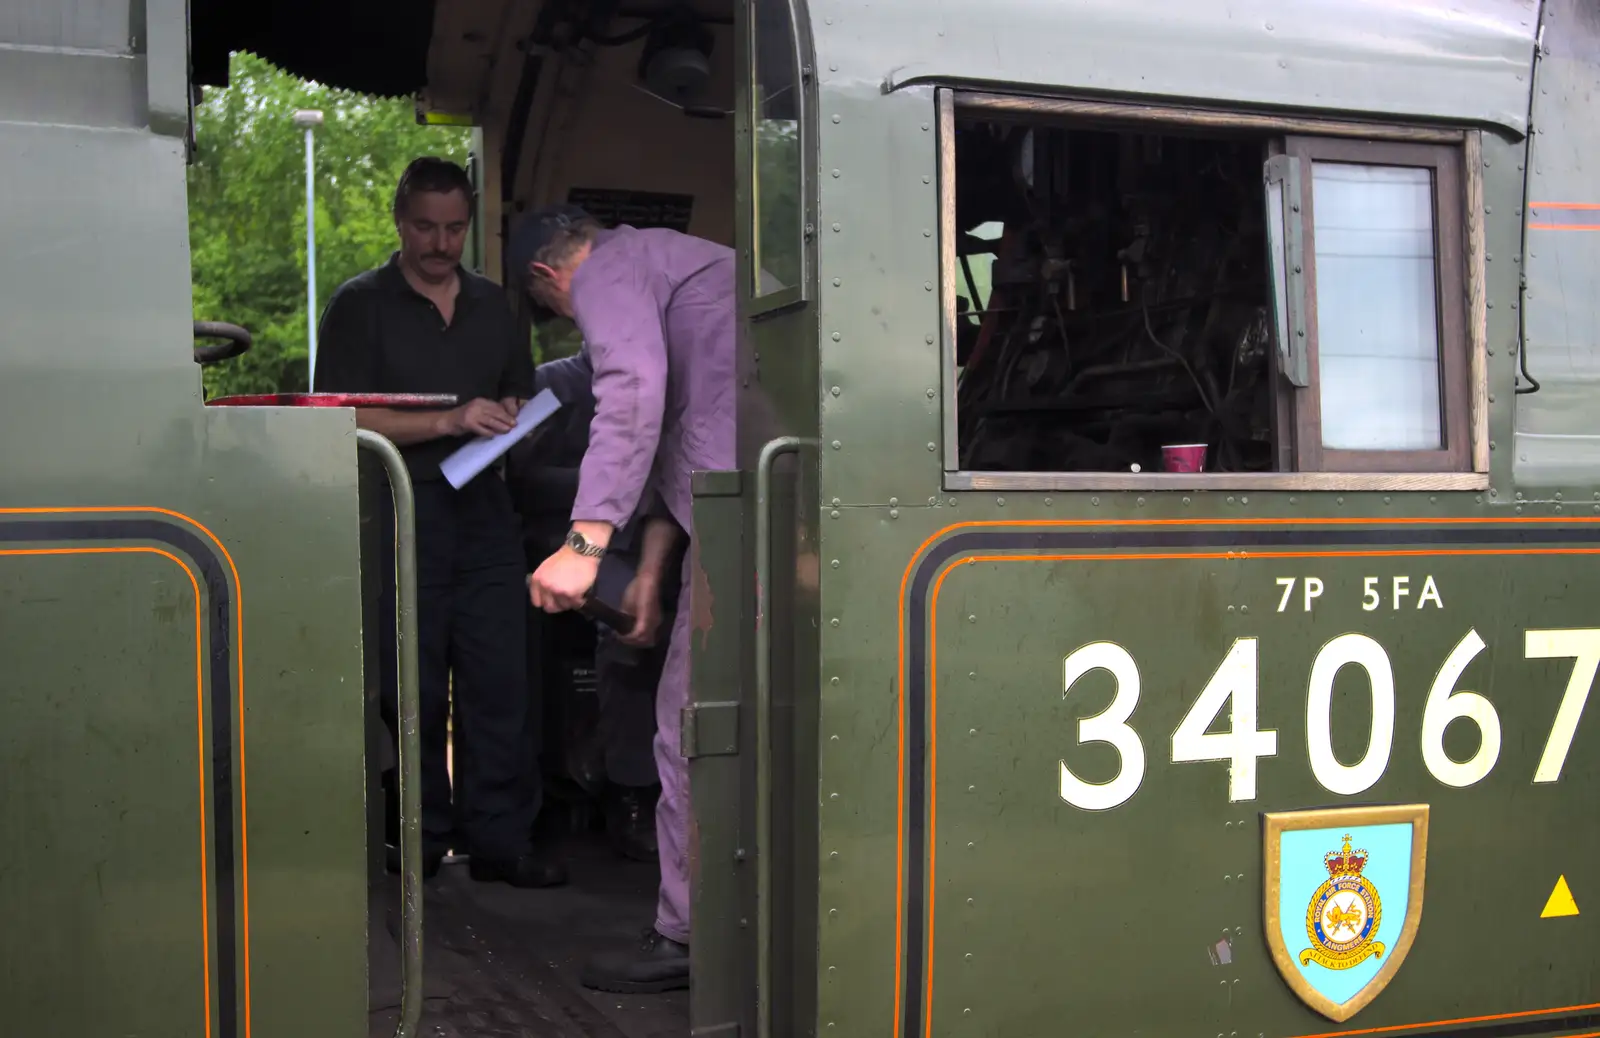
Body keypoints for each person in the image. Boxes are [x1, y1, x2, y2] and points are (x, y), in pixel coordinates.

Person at [314, 156, 565, 888]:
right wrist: (449, 417)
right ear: (399, 222)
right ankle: (416, 840)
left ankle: (500, 842)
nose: (440, 243)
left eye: (454, 228)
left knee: (499, 680)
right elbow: (342, 418)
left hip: (487, 514)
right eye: (425, 226)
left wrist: (514, 419)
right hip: (400, 515)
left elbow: (521, 393)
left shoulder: (495, 306)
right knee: (408, 683)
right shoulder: (358, 305)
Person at [509, 204, 735, 992]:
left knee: (690, 726)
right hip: (736, 517)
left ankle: (691, 938)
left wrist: (583, 546)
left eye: (559, 317)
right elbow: (697, 432)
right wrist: (648, 572)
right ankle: (704, 925)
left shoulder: (607, 270)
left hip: (742, 524)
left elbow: (633, 392)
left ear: (549, 277)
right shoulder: (670, 262)